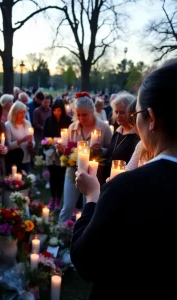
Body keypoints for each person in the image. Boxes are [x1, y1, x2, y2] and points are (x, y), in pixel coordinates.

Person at [72, 59, 177, 299]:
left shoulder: (128, 189)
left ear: (151, 118)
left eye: (135, 113)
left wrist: (92, 197)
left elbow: (86, 262)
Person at [57, 92, 112, 222]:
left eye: (84, 115)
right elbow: (66, 152)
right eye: (78, 114)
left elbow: (111, 151)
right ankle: (58, 235)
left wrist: (101, 150)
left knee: (89, 208)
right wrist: (61, 150)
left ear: (92, 111)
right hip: (72, 172)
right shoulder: (72, 128)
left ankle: (84, 236)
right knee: (68, 206)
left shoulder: (103, 128)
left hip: (93, 175)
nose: (81, 118)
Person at [99, 92, 140, 184]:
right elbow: (113, 152)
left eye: (122, 112)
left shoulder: (136, 136)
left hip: (121, 182)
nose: (117, 116)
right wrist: (101, 151)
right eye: (116, 112)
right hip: (107, 180)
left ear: (131, 113)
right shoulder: (118, 131)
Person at [43, 99, 72, 211]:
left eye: (59, 110)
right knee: (52, 176)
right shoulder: (48, 120)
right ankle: (52, 197)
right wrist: (49, 142)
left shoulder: (68, 121)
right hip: (51, 152)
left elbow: (70, 138)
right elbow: (44, 136)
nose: (57, 112)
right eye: (54, 110)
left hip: (62, 152)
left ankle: (58, 199)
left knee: (60, 176)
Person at [5, 101, 35, 173]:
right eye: (20, 113)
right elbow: (8, 146)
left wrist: (31, 144)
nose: (23, 115)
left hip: (26, 158)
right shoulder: (8, 125)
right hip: (14, 159)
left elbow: (33, 141)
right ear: (14, 113)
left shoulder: (28, 123)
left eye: (24, 112)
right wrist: (22, 140)